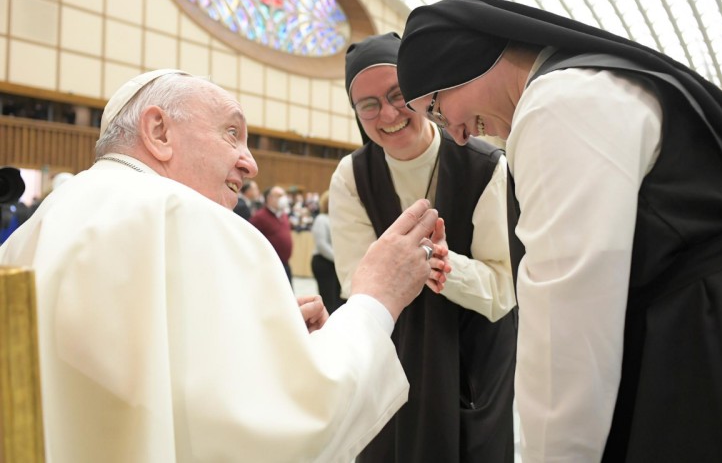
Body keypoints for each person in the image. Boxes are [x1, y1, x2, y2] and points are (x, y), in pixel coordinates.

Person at [397, 0, 722, 463]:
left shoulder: (558, 105)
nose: (457, 134)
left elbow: (567, 329)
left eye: (437, 109)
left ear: (461, 60)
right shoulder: (587, 83)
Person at [0, 68, 450, 463]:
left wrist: (257, 340)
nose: (250, 163)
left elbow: (143, 384)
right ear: (158, 132)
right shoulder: (183, 213)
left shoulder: (40, 224)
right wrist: (375, 298)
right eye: (232, 133)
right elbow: (291, 426)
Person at [329, 32, 518, 463]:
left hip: (471, 355)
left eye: (398, 95)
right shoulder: (352, 176)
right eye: (368, 105)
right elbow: (355, 282)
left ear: (421, 91)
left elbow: (503, 289)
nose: (388, 113)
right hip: (392, 352)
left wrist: (444, 265)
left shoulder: (484, 166)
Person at [250, 185, 293, 283]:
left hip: (285, 265)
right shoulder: (259, 217)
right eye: (279, 195)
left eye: (284, 195)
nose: (283, 198)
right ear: (269, 198)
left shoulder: (283, 215)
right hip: (269, 267)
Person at [310, 191, 344, 313]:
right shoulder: (321, 219)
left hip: (335, 264)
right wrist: (339, 259)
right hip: (323, 262)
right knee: (328, 299)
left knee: (337, 300)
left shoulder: (338, 220)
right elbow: (322, 245)